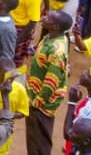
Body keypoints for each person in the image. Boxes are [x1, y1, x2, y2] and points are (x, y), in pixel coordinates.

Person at [27, 10, 74, 155]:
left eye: (48, 18)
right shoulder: (52, 38)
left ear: (55, 26)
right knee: (37, 137)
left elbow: (51, 81)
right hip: (38, 96)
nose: (44, 17)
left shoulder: (56, 50)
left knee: (38, 140)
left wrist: (38, 101)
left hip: (42, 102)